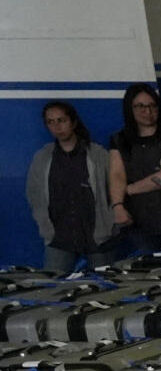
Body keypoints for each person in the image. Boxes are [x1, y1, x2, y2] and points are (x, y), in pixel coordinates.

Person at [24, 100, 115, 273]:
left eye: (62, 120)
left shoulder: (98, 154)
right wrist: (44, 225)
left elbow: (115, 188)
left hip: (98, 238)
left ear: (73, 122)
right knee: (53, 291)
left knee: (106, 289)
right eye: (51, 122)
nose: (57, 127)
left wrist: (110, 223)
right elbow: (34, 195)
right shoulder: (42, 158)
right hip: (60, 238)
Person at [108, 82, 161, 258]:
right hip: (139, 222)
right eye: (140, 106)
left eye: (152, 105)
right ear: (130, 109)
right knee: (147, 270)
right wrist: (118, 205)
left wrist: (129, 189)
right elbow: (116, 174)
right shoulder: (119, 139)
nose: (147, 111)